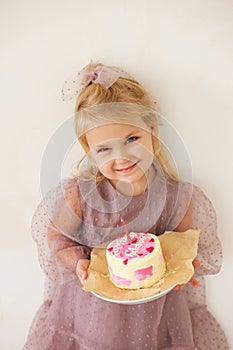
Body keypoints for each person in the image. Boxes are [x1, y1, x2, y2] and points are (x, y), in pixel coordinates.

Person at [23, 62, 229, 349]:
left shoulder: (176, 197)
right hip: (92, 313)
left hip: (154, 313)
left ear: (153, 131)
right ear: (88, 150)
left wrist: (185, 268)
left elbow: (185, 246)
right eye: (104, 149)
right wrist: (79, 263)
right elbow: (56, 237)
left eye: (131, 139)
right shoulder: (82, 194)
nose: (120, 158)